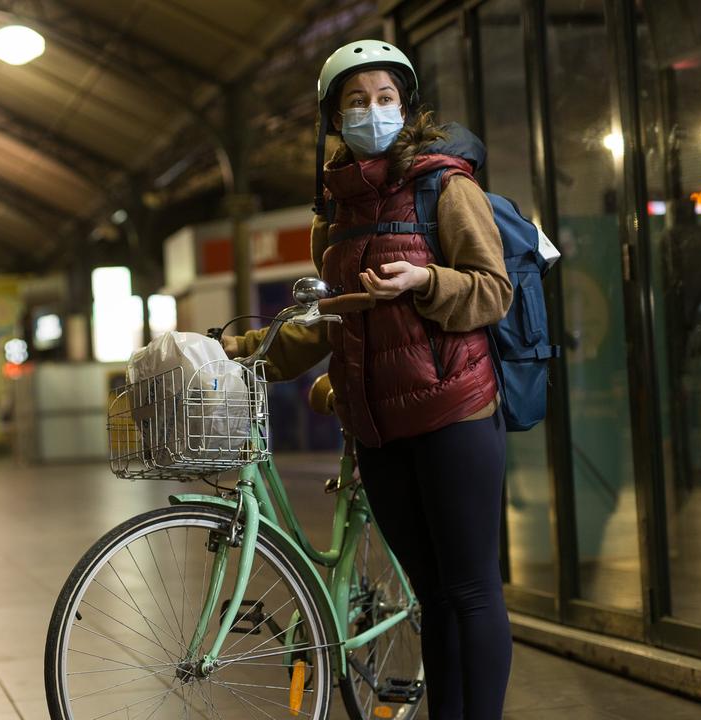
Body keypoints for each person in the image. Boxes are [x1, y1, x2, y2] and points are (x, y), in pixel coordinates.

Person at [221, 39, 514, 720]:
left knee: (471, 590)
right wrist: (238, 351)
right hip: (379, 430)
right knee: (432, 594)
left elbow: (492, 291)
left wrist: (425, 280)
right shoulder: (337, 216)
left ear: (405, 107)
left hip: (454, 413)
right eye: (356, 102)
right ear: (334, 119)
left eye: (385, 99)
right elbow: (331, 322)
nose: (372, 112)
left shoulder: (446, 185)